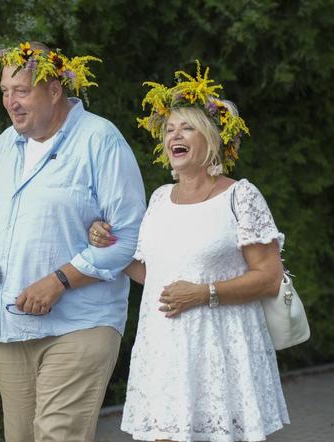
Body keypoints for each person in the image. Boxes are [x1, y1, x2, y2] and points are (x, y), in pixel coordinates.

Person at [89, 61, 290, 441]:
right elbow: (154, 273)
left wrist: (203, 294)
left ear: (211, 139)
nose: (174, 135)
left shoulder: (240, 196)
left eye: (187, 127)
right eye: (169, 129)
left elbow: (270, 277)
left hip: (220, 353)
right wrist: (108, 243)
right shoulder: (160, 198)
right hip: (164, 350)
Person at [0, 42, 146, 442]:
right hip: (11, 324)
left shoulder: (100, 140)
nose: (10, 102)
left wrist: (59, 280)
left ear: (53, 90)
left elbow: (130, 235)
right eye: (4, 92)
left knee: (57, 436)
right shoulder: (3, 145)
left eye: (21, 91)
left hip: (80, 322)